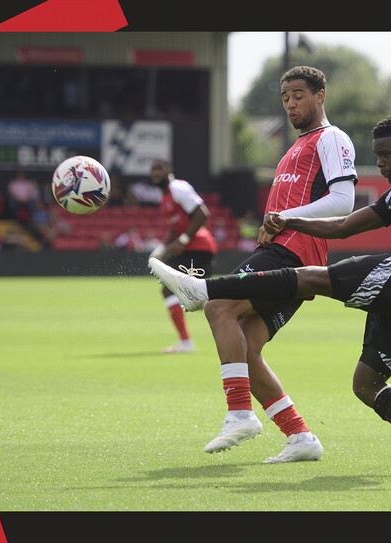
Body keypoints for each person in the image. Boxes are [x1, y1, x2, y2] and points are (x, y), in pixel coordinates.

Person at [149, 113, 391, 475]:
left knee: (310, 278)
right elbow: (343, 227)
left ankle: (204, 288)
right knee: (366, 385)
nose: (381, 162)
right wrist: (290, 219)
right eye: (378, 155)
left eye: (387, 155)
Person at [153, 66, 357, 464]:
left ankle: (240, 412)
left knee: (217, 306)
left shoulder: (330, 138)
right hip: (289, 251)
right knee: (246, 346)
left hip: (295, 252)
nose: (291, 103)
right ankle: (300, 437)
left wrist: (287, 218)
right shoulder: (294, 149)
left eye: (299, 94)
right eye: (285, 98)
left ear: (320, 95)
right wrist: (274, 222)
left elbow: (343, 202)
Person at [146, 158, 218, 354]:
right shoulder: (164, 198)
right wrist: (161, 248)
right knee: (200, 295)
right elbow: (174, 228)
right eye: (153, 169)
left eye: (159, 168)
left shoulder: (178, 188)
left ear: (169, 169)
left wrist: (183, 240)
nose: (155, 172)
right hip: (189, 249)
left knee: (186, 293)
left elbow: (202, 213)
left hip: (199, 248)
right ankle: (187, 341)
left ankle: (186, 342)